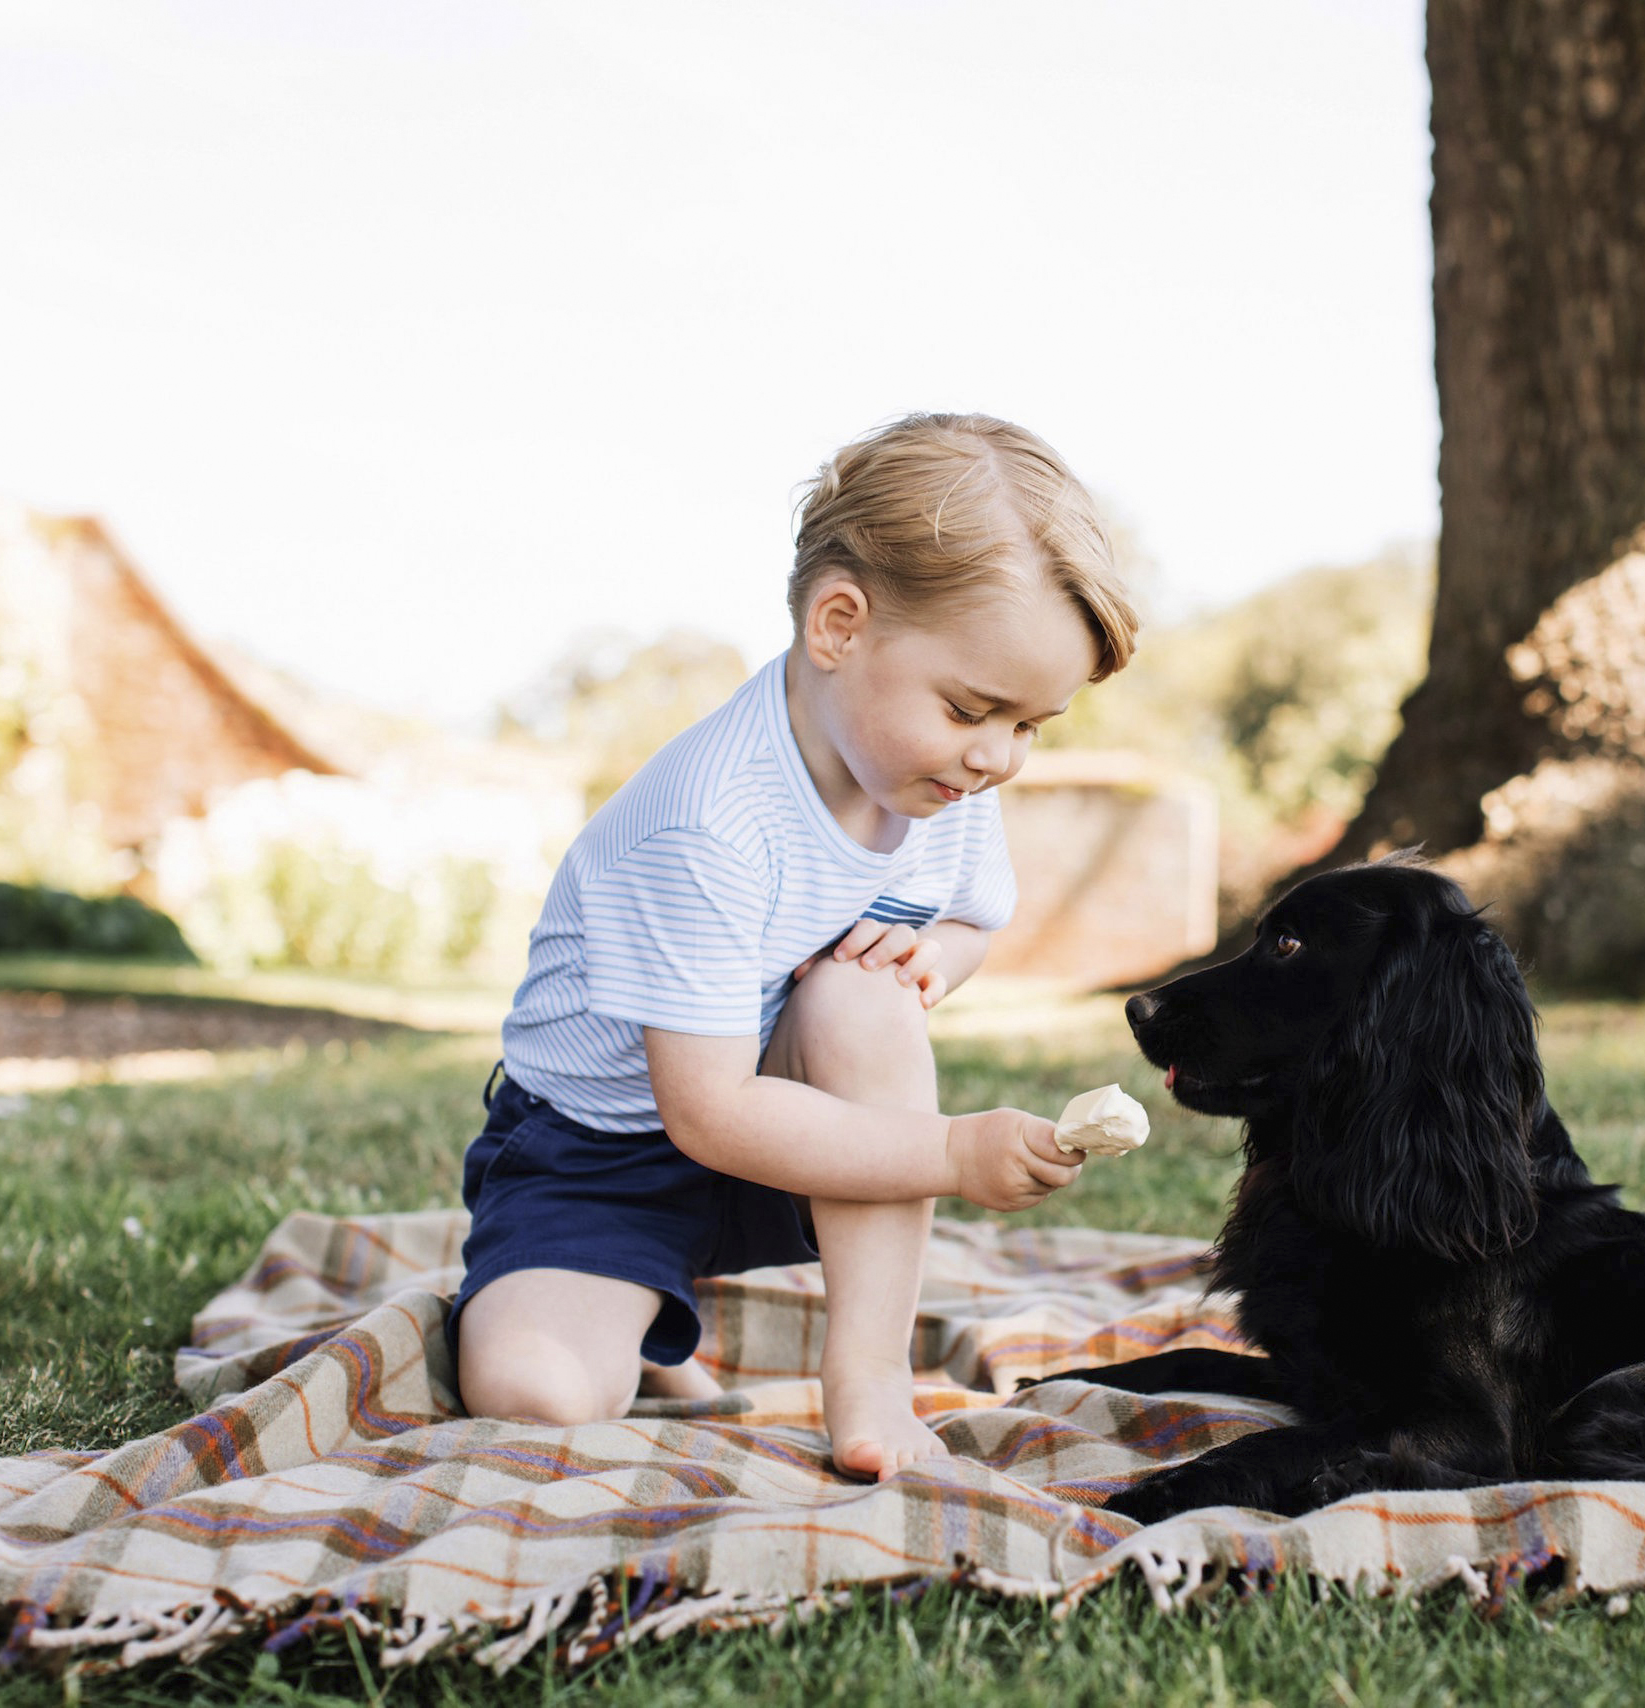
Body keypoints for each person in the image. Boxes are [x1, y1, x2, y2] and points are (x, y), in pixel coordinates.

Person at [451, 413, 1138, 1480]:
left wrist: (929, 963)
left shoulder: (938, 774)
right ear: (838, 624)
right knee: (533, 1396)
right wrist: (954, 1152)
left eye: (1031, 726)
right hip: (604, 1152)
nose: (999, 756)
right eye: (973, 708)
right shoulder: (707, 822)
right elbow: (707, 1110)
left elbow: (967, 920)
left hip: (796, 1126)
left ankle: (866, 1381)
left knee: (863, 1001)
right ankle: (626, 1309)